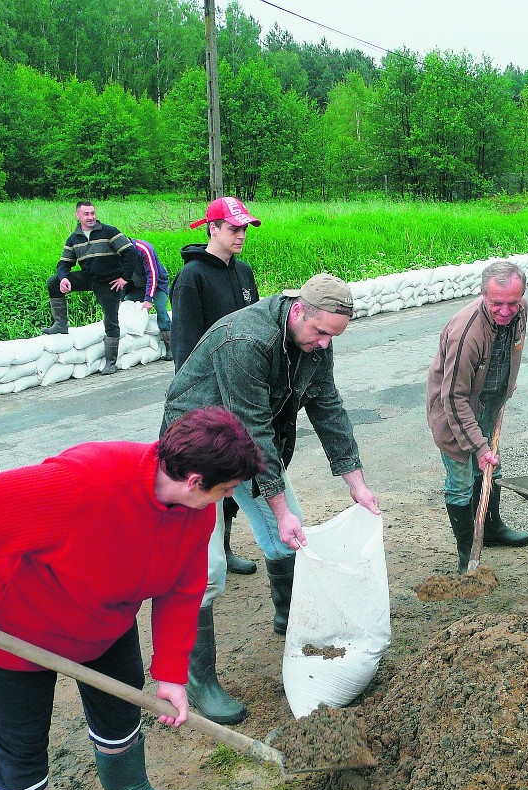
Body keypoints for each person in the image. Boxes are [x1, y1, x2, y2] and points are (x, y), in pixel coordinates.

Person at [0, 407, 264, 790]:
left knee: (121, 719)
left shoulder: (196, 512)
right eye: (226, 489)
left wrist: (171, 673)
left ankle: (130, 789)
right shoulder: (82, 483)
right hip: (18, 631)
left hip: (106, 626)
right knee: (19, 749)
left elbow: (182, 590)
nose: (229, 496)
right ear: (194, 481)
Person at [161, 273, 380, 725]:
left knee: (290, 538)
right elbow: (253, 426)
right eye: (320, 333)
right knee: (206, 570)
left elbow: (328, 407)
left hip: (250, 450)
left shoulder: (315, 341)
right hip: (197, 456)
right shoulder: (245, 339)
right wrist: (276, 508)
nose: (323, 344)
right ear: (298, 309)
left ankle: (289, 619)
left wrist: (355, 482)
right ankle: (197, 679)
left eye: (332, 338)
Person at [171, 196, 261, 575]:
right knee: (207, 477)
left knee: (236, 473)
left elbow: (257, 328)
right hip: (208, 395)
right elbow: (185, 347)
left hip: (240, 389)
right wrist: (195, 405)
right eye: (233, 229)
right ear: (213, 229)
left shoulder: (244, 273)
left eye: (244, 229)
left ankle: (223, 546)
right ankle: (200, 560)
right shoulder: (192, 278)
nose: (240, 235)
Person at [427, 260, 528, 575]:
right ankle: (466, 555)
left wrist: (503, 392)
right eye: (497, 303)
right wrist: (479, 446)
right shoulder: (466, 332)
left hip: (489, 404)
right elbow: (453, 397)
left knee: (487, 472)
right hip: (454, 413)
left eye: (513, 302)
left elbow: (512, 349)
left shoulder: (520, 310)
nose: (506, 310)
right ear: (483, 295)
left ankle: (493, 529)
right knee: (461, 480)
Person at [42, 201, 139, 375]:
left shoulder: (109, 232)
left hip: (110, 282)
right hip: (88, 277)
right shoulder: (74, 239)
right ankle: (60, 324)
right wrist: (64, 278)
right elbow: (64, 263)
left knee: (111, 321)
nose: (91, 217)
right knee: (53, 282)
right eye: (86, 214)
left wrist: (125, 278)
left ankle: (111, 362)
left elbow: (130, 253)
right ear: (77, 216)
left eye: (92, 213)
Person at [123, 239, 173, 361]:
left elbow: (153, 274)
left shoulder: (143, 249)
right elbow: (121, 277)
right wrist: (120, 298)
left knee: (161, 312)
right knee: (126, 303)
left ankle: (170, 348)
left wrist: (148, 299)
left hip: (157, 284)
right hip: (137, 285)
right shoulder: (118, 253)